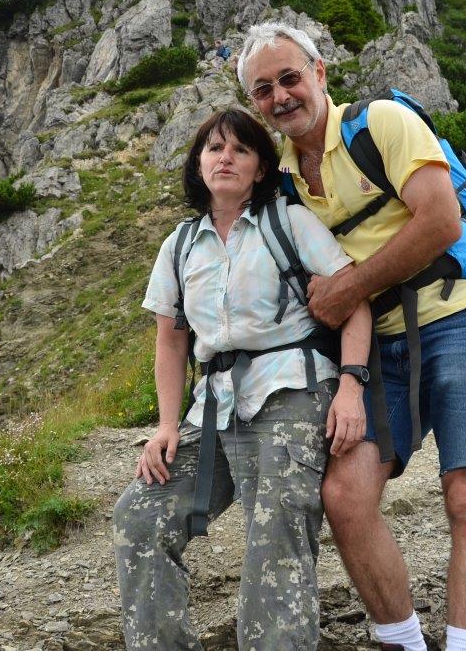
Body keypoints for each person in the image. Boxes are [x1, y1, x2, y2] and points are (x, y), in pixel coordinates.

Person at [239, 22, 466, 651]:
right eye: (263, 89)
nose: (281, 96)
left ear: (320, 74)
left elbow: (441, 221)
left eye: (289, 77)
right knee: (344, 496)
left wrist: (349, 288)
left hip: (464, 313)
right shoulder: (278, 178)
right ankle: (406, 642)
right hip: (375, 347)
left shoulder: (384, 123)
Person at [113, 107, 373, 651]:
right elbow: (171, 337)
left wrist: (351, 386)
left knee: (273, 531)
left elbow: (354, 303)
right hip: (213, 402)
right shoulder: (180, 244)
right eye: (213, 149)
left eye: (240, 149)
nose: (225, 157)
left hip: (292, 390)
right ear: (198, 165)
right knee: (139, 515)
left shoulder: (289, 222)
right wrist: (165, 424)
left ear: (260, 169)